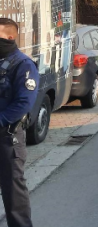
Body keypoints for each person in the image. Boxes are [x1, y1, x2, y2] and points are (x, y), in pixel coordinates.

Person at [0, 18, 39, 227]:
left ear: (10, 37)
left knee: (13, 192)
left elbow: (24, 103)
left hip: (8, 138)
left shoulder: (23, 64)